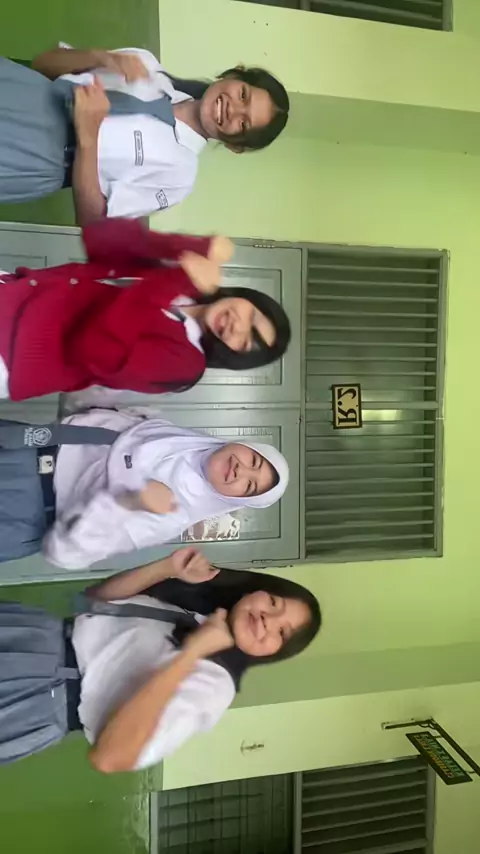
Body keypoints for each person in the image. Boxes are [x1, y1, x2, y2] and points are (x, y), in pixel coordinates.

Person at [0, 546, 321, 768]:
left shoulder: (215, 684)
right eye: (274, 603)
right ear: (258, 590)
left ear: (274, 653)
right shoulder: (200, 614)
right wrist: (166, 568)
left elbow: (110, 757)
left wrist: (191, 653)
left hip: (36, 695)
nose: (268, 619)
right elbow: (95, 601)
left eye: (282, 632)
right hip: (34, 633)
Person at [0, 218, 291, 400]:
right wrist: (193, 247)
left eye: (246, 342)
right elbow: (100, 236)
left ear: (237, 357)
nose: (238, 326)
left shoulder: (185, 363)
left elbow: (91, 349)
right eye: (252, 316)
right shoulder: (185, 290)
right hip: (12, 289)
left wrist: (176, 279)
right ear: (247, 298)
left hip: (10, 354)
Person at [0, 46, 289, 223]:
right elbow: (42, 64)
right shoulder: (147, 66)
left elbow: (91, 222)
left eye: (243, 124)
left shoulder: (178, 175)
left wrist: (88, 138)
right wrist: (102, 57)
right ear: (235, 74)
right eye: (243, 94)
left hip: (28, 159)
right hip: (22, 89)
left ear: (236, 146)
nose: (233, 109)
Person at [0, 407, 289, 569]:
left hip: (21, 509)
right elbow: (85, 416)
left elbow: (65, 554)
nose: (240, 470)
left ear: (235, 500)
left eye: (249, 485)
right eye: (253, 460)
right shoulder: (170, 435)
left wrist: (127, 503)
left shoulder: (169, 516)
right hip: (23, 443)